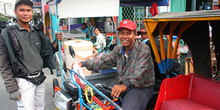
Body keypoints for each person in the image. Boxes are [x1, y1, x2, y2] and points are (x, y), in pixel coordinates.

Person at [72, 19, 155, 110]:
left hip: (141, 88)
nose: (125, 36)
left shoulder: (143, 49)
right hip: (122, 85)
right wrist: (82, 63)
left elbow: (140, 72)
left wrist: (124, 85)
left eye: (128, 33)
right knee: (95, 97)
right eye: (122, 33)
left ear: (135, 35)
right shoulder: (118, 49)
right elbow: (104, 60)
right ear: (118, 35)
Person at [0, 0, 62, 110]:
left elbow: (46, 53)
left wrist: (56, 43)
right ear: (15, 12)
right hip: (23, 80)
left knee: (40, 108)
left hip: (39, 78)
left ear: (32, 12)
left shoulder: (37, 32)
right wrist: (12, 88)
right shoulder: (8, 34)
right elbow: (4, 64)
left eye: (28, 10)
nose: (25, 13)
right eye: (22, 10)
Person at [138, 26, 183, 90]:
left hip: (165, 76)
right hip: (177, 72)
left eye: (145, 33)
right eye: (142, 34)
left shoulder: (147, 42)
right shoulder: (164, 41)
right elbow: (177, 53)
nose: (143, 36)